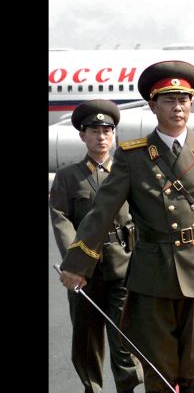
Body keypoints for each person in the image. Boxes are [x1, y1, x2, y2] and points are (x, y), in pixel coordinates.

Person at [58, 60, 194, 393]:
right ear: (152, 105)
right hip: (153, 275)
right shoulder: (132, 155)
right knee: (158, 371)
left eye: (184, 99)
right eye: (168, 100)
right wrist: (78, 264)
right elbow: (103, 211)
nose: (178, 107)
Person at [50, 100, 144, 393]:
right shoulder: (68, 177)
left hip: (123, 268)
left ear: (114, 135)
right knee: (86, 341)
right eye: (94, 131)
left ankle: (128, 388)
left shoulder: (130, 172)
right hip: (84, 273)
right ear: (82, 136)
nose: (101, 136)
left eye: (107, 130)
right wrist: (75, 265)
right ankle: (93, 389)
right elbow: (61, 219)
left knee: (124, 339)